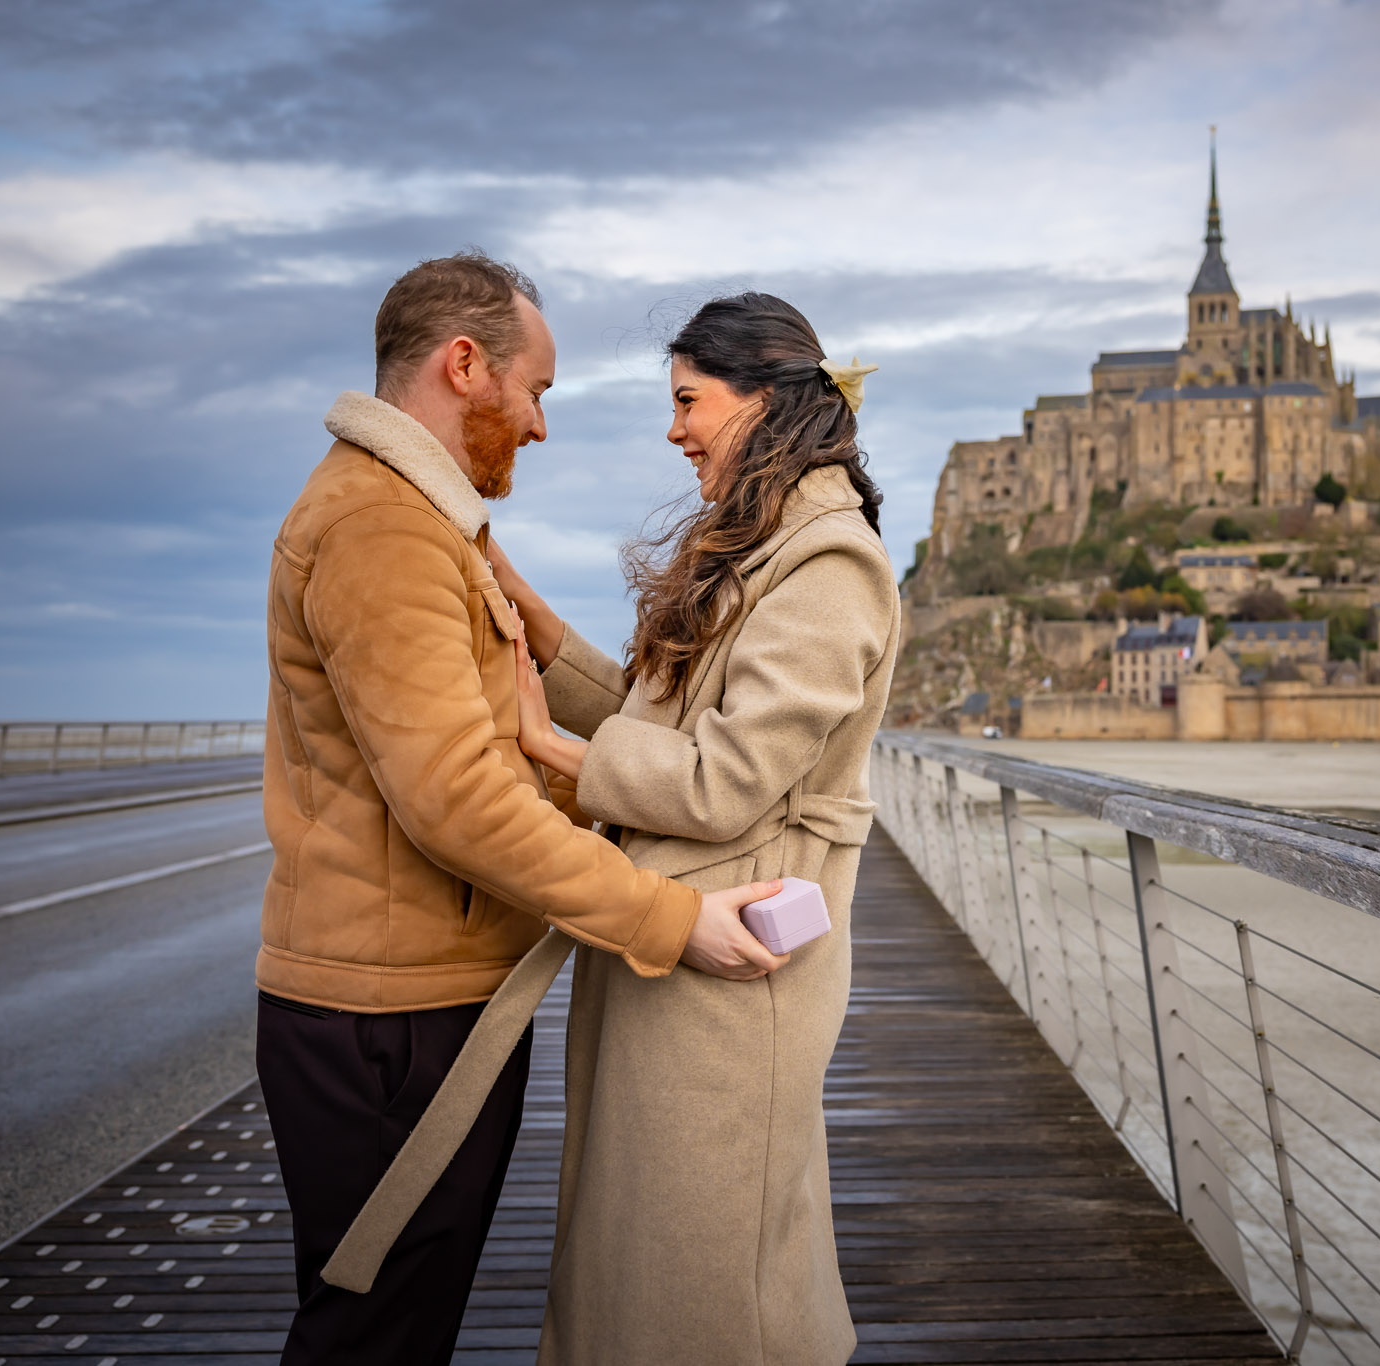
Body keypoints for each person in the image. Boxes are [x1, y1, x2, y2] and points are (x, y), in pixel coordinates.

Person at [257, 252, 785, 1366]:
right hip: (386, 1025)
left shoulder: (422, 519)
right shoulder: (385, 528)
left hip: (415, 1006)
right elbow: (456, 801)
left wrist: (542, 648)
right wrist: (669, 920)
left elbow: (495, 739)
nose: (539, 425)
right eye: (534, 390)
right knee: (374, 1334)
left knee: (394, 1322)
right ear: (465, 367)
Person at [490, 291, 900, 1365]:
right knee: (664, 1260)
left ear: (763, 402)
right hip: (686, 949)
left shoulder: (829, 564)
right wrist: (537, 629)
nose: (674, 430)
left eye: (688, 401)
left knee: (702, 1282)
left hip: (731, 970)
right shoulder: (769, 543)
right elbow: (657, 720)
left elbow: (722, 780)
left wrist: (553, 753)